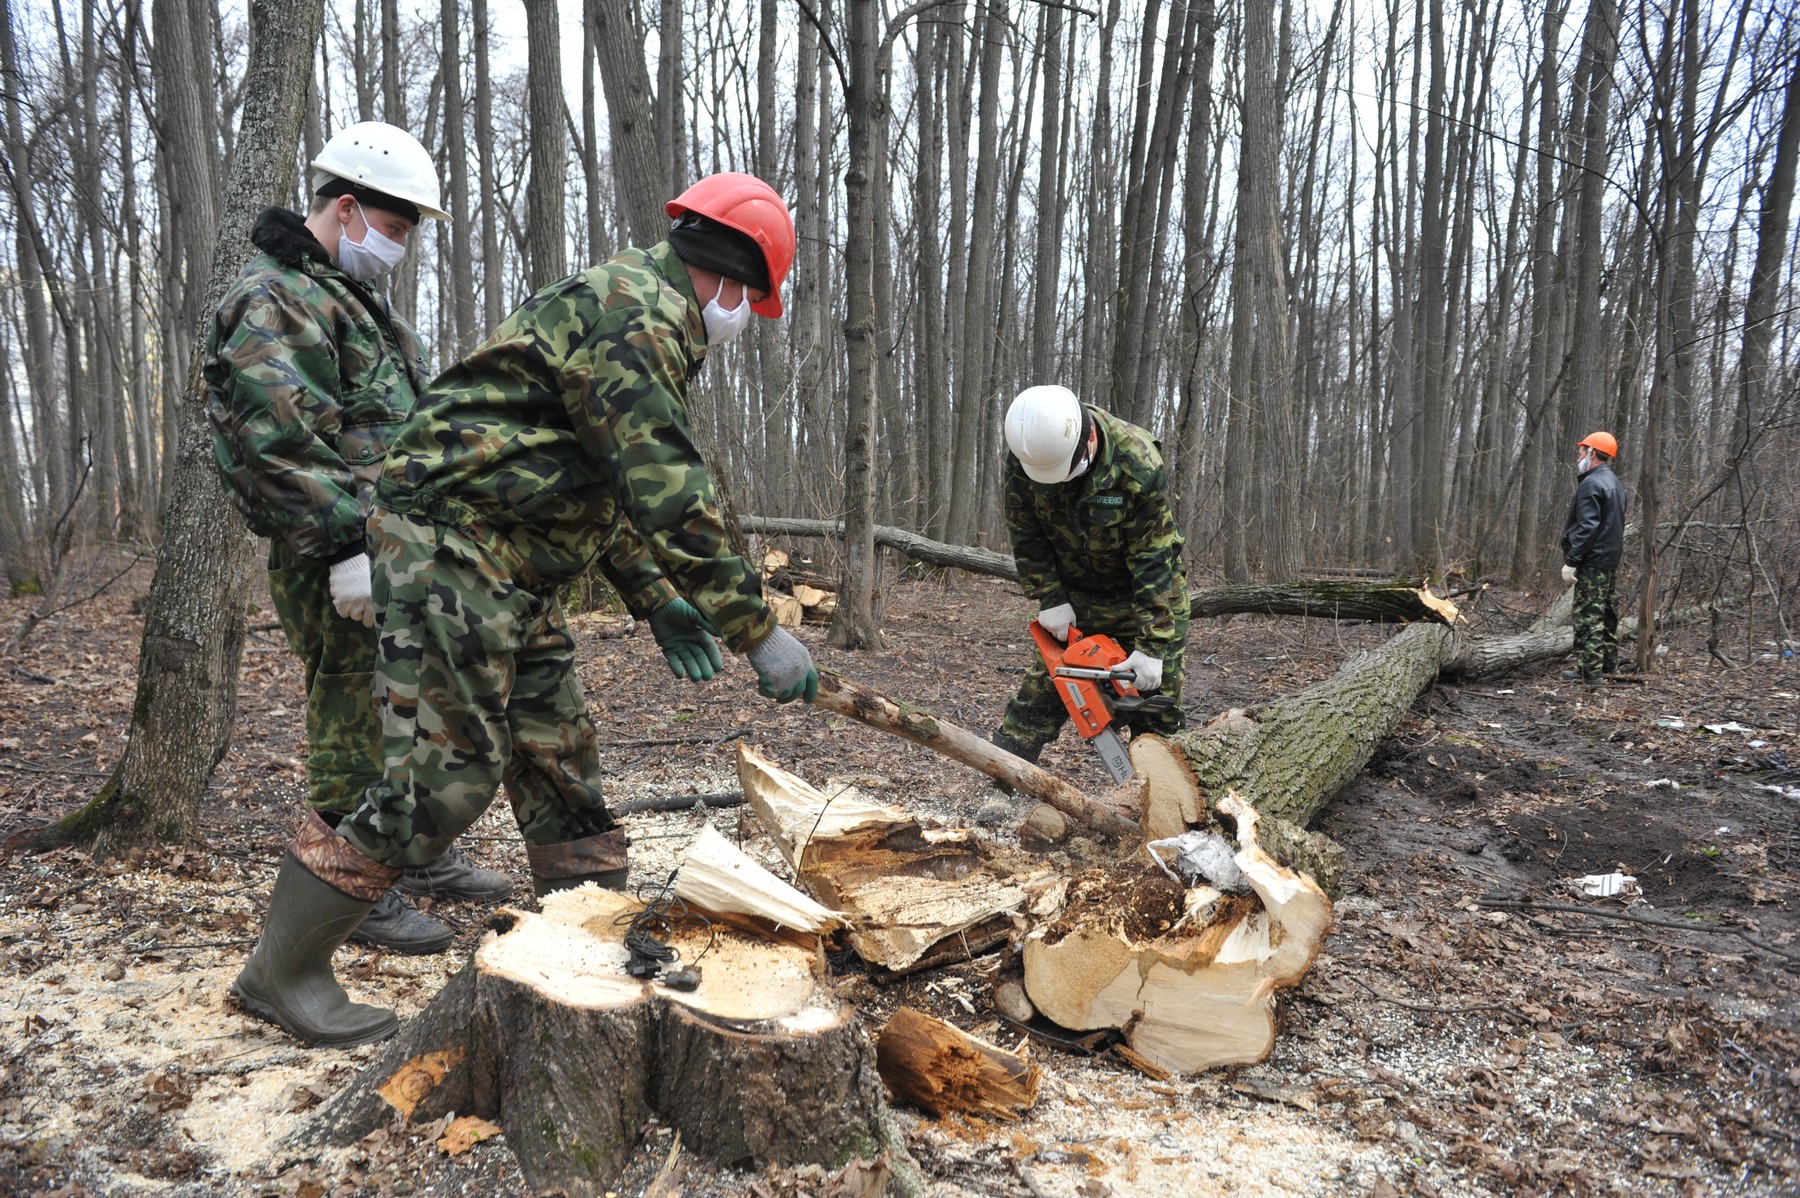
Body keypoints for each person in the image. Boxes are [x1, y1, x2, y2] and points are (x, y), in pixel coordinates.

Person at [231, 171, 818, 1046]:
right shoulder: (637, 317)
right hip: (454, 552)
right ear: (736, 277)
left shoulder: (636, 310)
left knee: (559, 758)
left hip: (516, 565)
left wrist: (659, 600)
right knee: (447, 773)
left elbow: (599, 483)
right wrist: (755, 627)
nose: (741, 319)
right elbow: (665, 486)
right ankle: (280, 974)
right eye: (749, 301)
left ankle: (589, 944)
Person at [207, 121, 510, 958]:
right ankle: (348, 889)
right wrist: (347, 546)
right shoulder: (273, 297)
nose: (401, 247)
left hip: (389, 546)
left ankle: (406, 854)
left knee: (399, 708)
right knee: (349, 713)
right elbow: (277, 442)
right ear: (348, 208)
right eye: (399, 228)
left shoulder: (344, 298)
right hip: (333, 553)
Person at [990, 385, 1189, 769]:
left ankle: (1168, 807)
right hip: (1074, 595)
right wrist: (1048, 595)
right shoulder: (1028, 454)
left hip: (1142, 597)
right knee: (1040, 696)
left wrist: (1152, 645)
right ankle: (1003, 785)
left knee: (1156, 709)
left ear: (1089, 438)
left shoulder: (1138, 462)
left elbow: (1154, 558)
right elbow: (1024, 530)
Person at [1559, 431, 1628, 686]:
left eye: (1582, 451)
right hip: (1609, 560)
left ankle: (1590, 672)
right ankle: (1608, 666)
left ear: (1592, 453)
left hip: (1592, 561)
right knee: (1608, 615)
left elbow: (1588, 526)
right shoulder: (1616, 483)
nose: (1578, 456)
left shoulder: (1591, 483)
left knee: (1588, 615)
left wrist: (1572, 560)